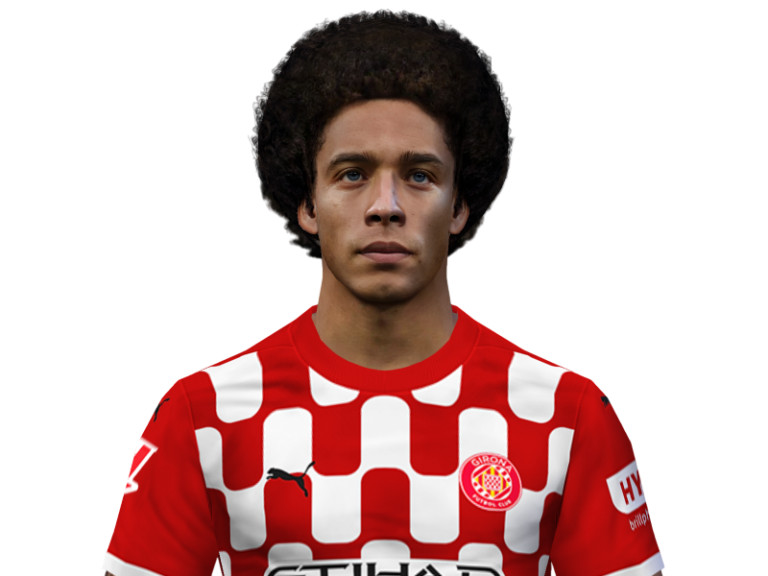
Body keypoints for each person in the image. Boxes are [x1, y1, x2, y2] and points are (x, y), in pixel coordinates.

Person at [101, 9, 665, 576]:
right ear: (308, 203)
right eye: (352, 173)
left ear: (458, 205)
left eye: (419, 175)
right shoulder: (202, 414)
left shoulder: (569, 415)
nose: (385, 206)